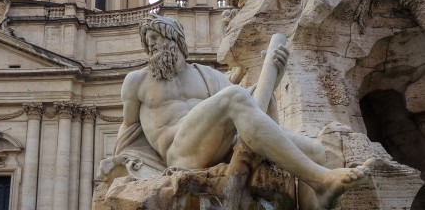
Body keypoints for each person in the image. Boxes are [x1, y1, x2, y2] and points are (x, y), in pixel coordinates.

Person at [115, 15, 372, 209]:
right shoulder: (137, 80)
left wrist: (273, 76)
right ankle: (321, 179)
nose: (151, 47)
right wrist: (128, 167)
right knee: (234, 96)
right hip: (180, 153)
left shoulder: (208, 75)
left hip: (223, 146)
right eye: (148, 43)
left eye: (156, 39)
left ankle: (317, 199)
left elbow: (251, 108)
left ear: (175, 40)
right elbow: (128, 134)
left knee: (315, 150)